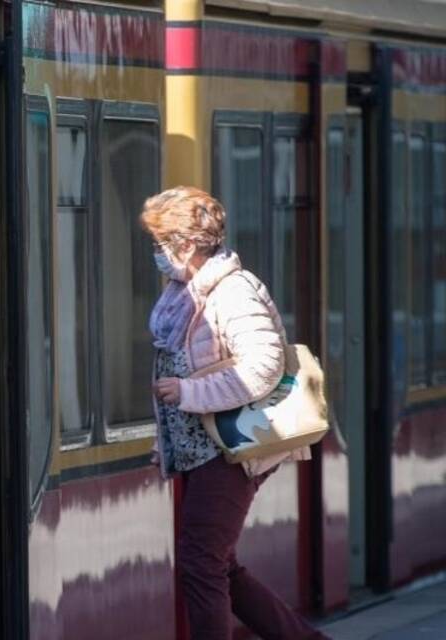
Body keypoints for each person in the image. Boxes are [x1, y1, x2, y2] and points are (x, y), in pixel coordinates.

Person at [141, 187, 327, 640]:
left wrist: (188, 392)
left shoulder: (232, 291)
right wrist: (166, 439)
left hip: (231, 446)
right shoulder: (185, 291)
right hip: (203, 446)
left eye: (160, 242)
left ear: (185, 244)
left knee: (201, 563)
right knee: (217, 564)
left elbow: (261, 368)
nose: (157, 253)